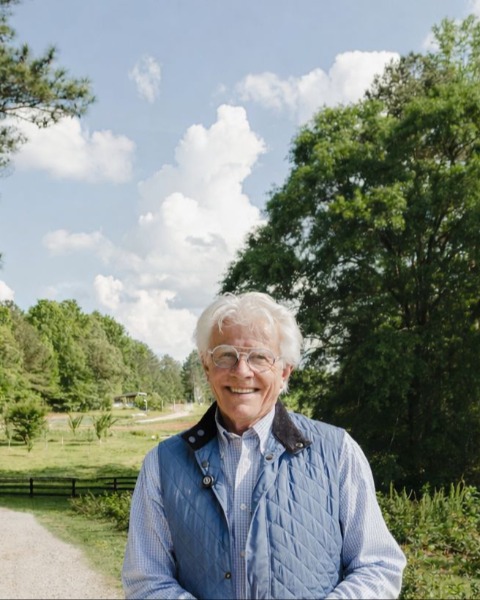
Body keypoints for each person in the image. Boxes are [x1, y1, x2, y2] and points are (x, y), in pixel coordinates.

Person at [122, 291, 406, 599]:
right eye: (226, 355)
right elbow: (146, 580)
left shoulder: (337, 452)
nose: (242, 371)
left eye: (259, 357)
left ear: (284, 371)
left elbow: (377, 566)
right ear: (206, 366)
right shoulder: (162, 463)